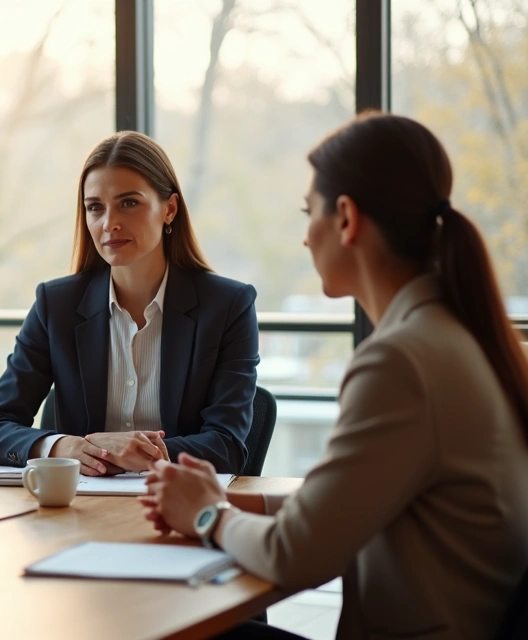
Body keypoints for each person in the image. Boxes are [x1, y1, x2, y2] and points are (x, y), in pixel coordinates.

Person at [143, 113, 528, 639]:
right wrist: (218, 498)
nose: (305, 238)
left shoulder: (401, 361)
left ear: (346, 218)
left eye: (309, 213)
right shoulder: (463, 335)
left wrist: (209, 515)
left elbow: (295, 555)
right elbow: (352, 501)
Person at [0, 131, 259, 475]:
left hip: (178, 507)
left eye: (129, 203)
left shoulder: (228, 305)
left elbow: (227, 444)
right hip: (79, 511)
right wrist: (70, 447)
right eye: (95, 208)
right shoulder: (56, 305)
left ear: (169, 209)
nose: (110, 223)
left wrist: (139, 451)